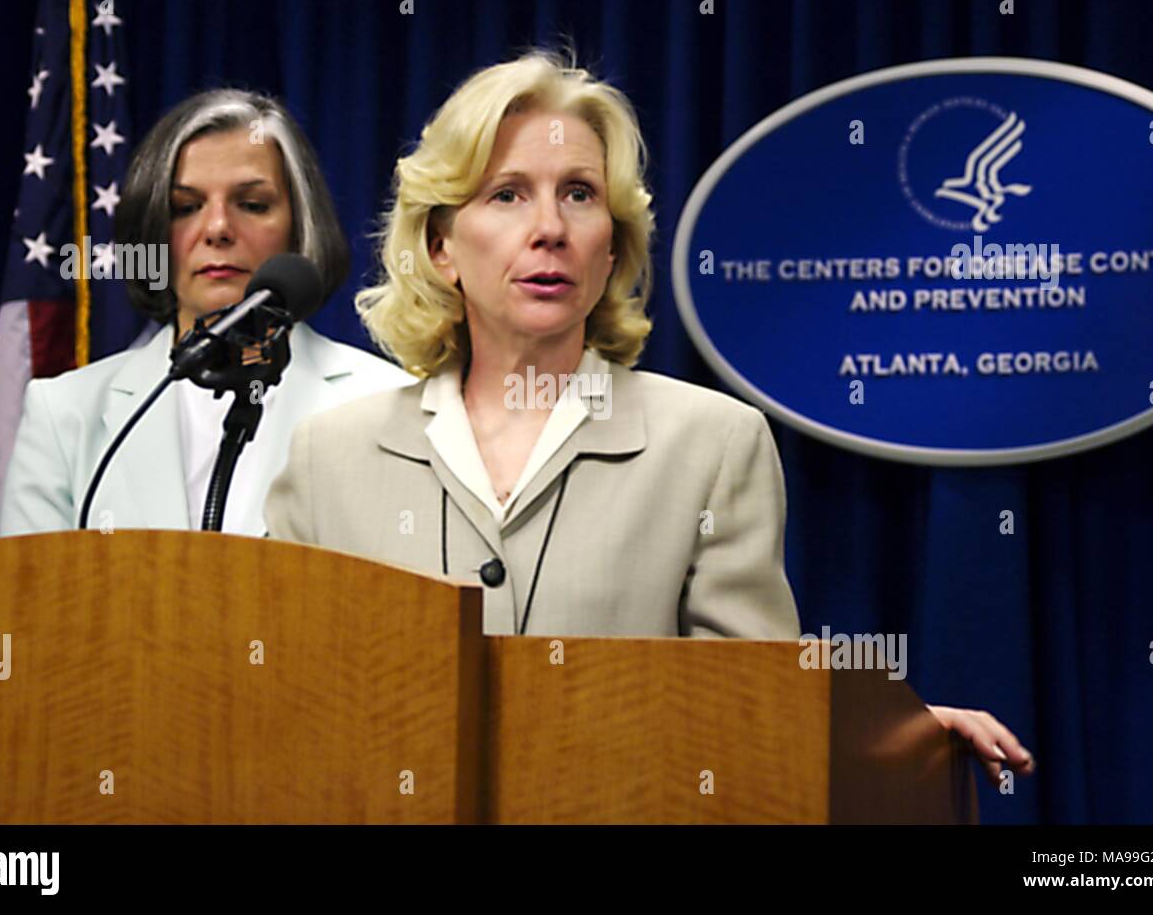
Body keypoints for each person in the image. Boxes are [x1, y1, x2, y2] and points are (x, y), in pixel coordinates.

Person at [264, 52, 1034, 784]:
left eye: (579, 194)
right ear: (440, 248)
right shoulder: (332, 454)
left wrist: (892, 738)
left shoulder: (710, 445)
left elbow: (752, 712)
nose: (550, 229)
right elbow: (287, 711)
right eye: (507, 194)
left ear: (611, 251)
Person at [0, 89, 413, 537]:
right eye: (186, 208)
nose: (217, 228)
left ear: (300, 227)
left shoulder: (390, 404)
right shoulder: (64, 414)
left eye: (252, 204)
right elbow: (26, 598)